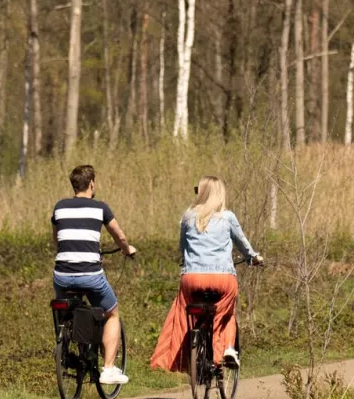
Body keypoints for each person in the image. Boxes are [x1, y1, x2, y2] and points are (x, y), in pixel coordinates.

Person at [151, 176, 262, 373]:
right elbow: (243, 244)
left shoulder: (187, 216)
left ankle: (195, 347)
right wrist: (252, 258)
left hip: (191, 279)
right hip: (222, 278)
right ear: (220, 194)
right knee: (226, 311)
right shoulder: (227, 217)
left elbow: (182, 248)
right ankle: (227, 349)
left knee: (190, 310)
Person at [52, 163, 137, 386]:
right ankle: (108, 369)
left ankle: (65, 336)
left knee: (65, 308)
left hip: (62, 274)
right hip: (90, 275)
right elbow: (120, 236)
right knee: (112, 313)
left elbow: (57, 241)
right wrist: (127, 249)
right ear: (91, 184)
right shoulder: (100, 208)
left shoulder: (59, 207)